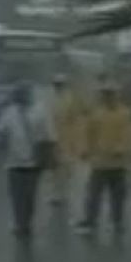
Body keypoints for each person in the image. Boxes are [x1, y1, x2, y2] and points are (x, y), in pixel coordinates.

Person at [76, 84, 131, 236]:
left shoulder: (124, 114)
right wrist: (84, 150)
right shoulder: (96, 114)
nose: (107, 97)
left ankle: (117, 221)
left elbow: (130, 135)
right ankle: (90, 220)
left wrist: (121, 149)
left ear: (116, 96)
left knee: (118, 196)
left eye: (110, 94)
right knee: (93, 194)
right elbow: (88, 133)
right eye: (105, 95)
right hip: (99, 163)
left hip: (118, 164)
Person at [0, 81, 56, 239]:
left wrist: (49, 156)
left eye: (24, 93)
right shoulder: (9, 112)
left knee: (29, 197)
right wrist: (1, 141)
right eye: (19, 94)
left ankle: (26, 221)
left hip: (33, 163)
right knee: (16, 196)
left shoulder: (39, 111)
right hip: (14, 163)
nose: (21, 96)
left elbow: (48, 136)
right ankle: (20, 224)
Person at [45, 74, 86, 207]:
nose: (58, 86)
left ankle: (65, 193)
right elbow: (47, 118)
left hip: (68, 139)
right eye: (56, 84)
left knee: (68, 169)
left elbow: (76, 119)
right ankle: (55, 194)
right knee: (54, 169)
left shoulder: (70, 99)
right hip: (53, 138)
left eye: (60, 84)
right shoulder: (50, 99)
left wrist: (77, 141)